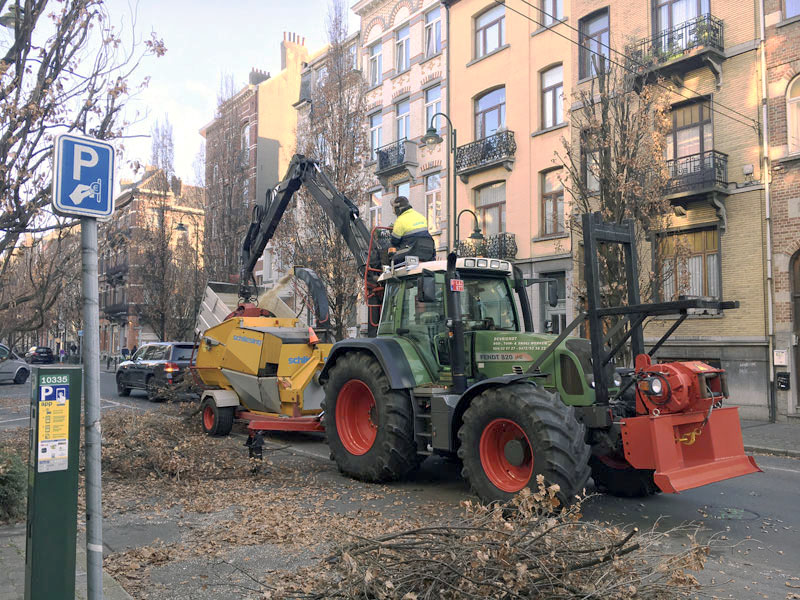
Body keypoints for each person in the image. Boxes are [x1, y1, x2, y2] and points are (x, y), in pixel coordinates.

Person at [389, 196, 435, 263]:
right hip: (429, 251)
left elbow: (394, 241)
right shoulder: (421, 216)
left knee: (391, 253)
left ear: (397, 209)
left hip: (412, 252)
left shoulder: (400, 221)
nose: (393, 212)